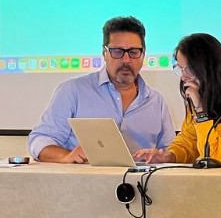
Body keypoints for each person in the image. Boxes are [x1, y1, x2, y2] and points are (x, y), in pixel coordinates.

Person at [28, 16, 175, 163]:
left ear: (143, 54)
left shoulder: (157, 102)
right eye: (117, 51)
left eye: (134, 52)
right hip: (84, 176)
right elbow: (40, 140)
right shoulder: (73, 91)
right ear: (104, 53)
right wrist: (67, 156)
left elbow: (171, 153)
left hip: (140, 178)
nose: (126, 60)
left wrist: (163, 157)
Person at [135, 33, 221, 165]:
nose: (183, 77)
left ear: (207, 68)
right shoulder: (199, 96)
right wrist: (167, 157)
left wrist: (201, 111)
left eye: (188, 70)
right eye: (180, 69)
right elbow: (189, 141)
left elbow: (216, 156)